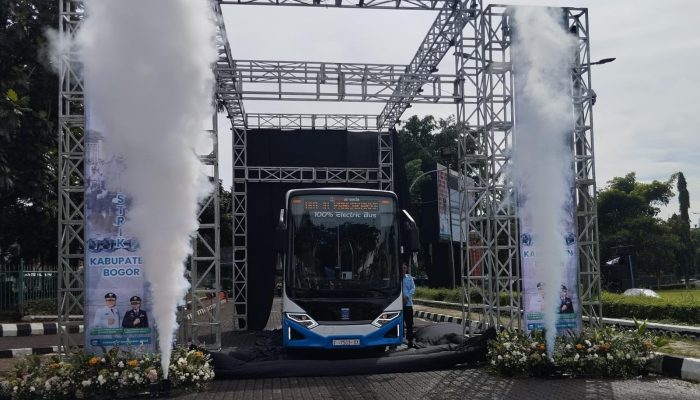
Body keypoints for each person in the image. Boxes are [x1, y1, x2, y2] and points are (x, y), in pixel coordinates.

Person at [402, 261, 416, 348]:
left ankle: (410, 341)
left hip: (408, 304)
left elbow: (413, 288)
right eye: (401, 268)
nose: (402, 269)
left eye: (404, 268)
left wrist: (406, 297)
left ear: (406, 269)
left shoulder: (409, 278)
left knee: (409, 324)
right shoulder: (396, 278)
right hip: (398, 305)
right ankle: (395, 343)